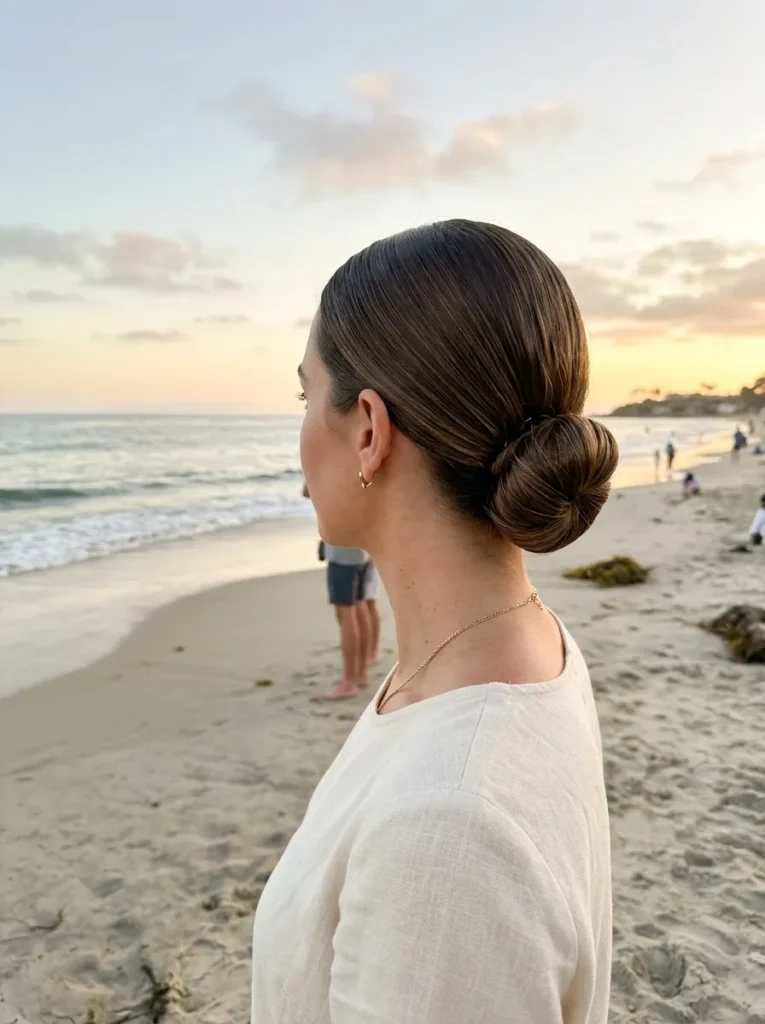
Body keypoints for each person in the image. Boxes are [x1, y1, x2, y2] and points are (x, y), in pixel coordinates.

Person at [253, 220, 616, 1023]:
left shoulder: (445, 834)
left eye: (305, 394)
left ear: (369, 432)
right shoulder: (518, 646)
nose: (299, 431)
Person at [303, 482, 379, 699]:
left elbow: (308, 490)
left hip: (344, 548)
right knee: (360, 606)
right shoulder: (363, 459)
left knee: (346, 613)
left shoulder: (335, 460)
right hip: (363, 544)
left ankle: (349, 682)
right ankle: (361, 674)